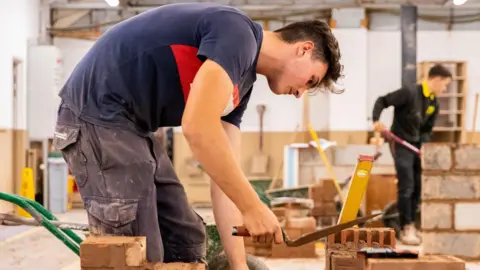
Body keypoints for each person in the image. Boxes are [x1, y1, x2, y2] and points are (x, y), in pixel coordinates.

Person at [52, 2, 343, 268]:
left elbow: (224, 179)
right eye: (311, 80)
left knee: (186, 238)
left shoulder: (240, 86)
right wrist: (253, 207)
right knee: (137, 247)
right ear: (304, 49)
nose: (300, 93)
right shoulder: (237, 32)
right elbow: (197, 127)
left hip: (132, 127)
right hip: (94, 114)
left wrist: (239, 266)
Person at [371, 64, 452, 245]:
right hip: (399, 143)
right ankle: (405, 227)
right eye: (445, 84)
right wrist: (376, 120)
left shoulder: (433, 103)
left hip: (415, 146)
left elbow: (427, 129)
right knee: (406, 185)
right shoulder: (409, 93)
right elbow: (382, 100)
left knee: (417, 186)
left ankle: (412, 225)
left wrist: (423, 145)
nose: (445, 89)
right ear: (436, 79)